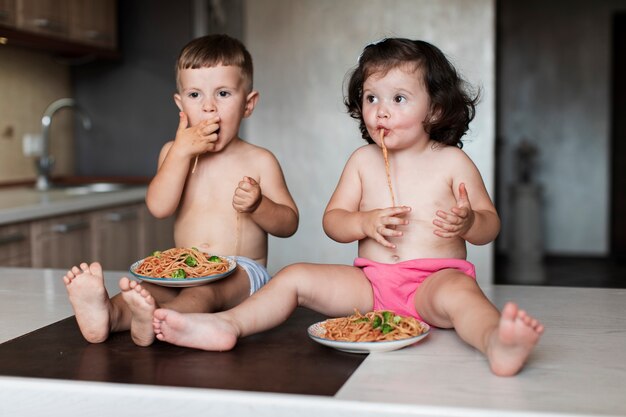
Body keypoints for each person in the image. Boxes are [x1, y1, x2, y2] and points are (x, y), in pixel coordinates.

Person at [151, 38, 543, 376]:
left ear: (436, 109)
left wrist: (469, 221)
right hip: (370, 285)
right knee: (295, 276)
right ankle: (227, 325)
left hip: (433, 282)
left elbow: (490, 226)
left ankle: (496, 342)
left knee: (463, 296)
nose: (381, 111)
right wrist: (364, 223)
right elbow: (333, 222)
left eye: (399, 99)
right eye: (371, 98)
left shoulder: (452, 162)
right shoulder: (362, 161)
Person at [63, 34, 299, 347]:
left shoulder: (259, 160)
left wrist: (259, 206)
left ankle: (161, 320)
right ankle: (108, 314)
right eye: (195, 95)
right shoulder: (173, 153)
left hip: (242, 274)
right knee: (145, 288)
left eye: (224, 93)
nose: (209, 108)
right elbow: (159, 207)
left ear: (248, 104)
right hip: (184, 268)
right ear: (180, 104)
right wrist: (180, 154)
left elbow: (289, 223)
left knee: (204, 292)